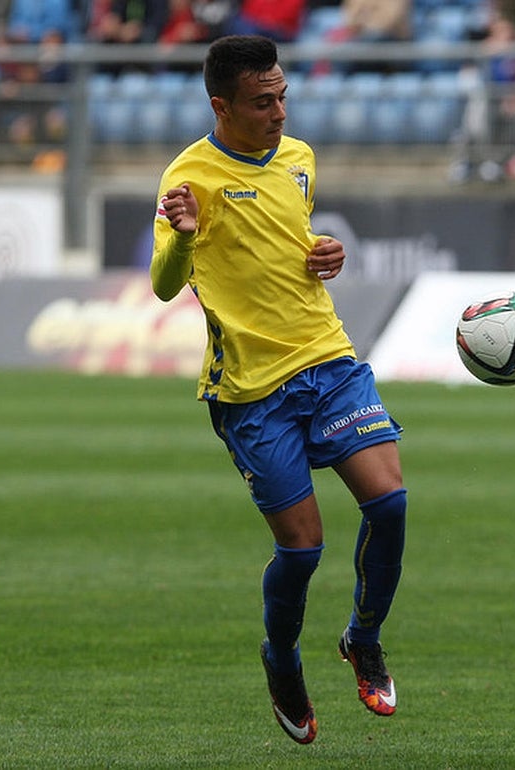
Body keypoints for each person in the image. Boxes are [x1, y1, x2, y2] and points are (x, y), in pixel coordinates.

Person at [150, 35, 408, 746]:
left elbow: (287, 243)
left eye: (283, 96)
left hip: (326, 359)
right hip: (251, 390)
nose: (279, 112)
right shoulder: (187, 177)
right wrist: (182, 236)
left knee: (389, 502)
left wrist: (324, 250)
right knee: (302, 550)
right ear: (221, 105)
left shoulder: (298, 159)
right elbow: (165, 282)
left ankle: (363, 638)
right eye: (263, 102)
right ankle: (282, 659)